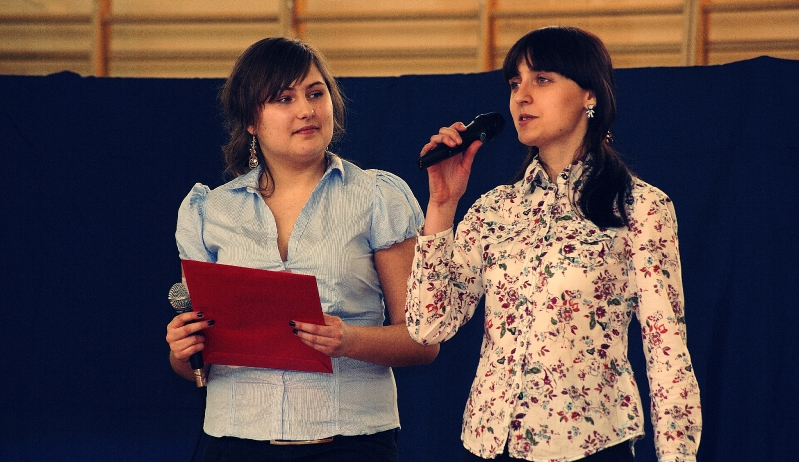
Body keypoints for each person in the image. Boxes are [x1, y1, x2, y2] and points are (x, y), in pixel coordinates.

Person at [405, 26, 701, 462]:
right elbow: (427, 327)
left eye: (542, 79)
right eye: (515, 83)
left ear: (589, 94)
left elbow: (667, 351)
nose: (522, 96)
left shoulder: (639, 207)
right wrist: (442, 205)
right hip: (490, 446)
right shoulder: (496, 208)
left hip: (591, 446)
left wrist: (678, 456)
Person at [166, 37, 439, 462]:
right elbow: (196, 365)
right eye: (283, 98)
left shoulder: (377, 197)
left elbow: (422, 341)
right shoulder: (209, 211)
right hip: (235, 442)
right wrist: (182, 351)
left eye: (315, 93)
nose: (306, 110)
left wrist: (348, 339)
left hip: (352, 444)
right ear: (250, 120)